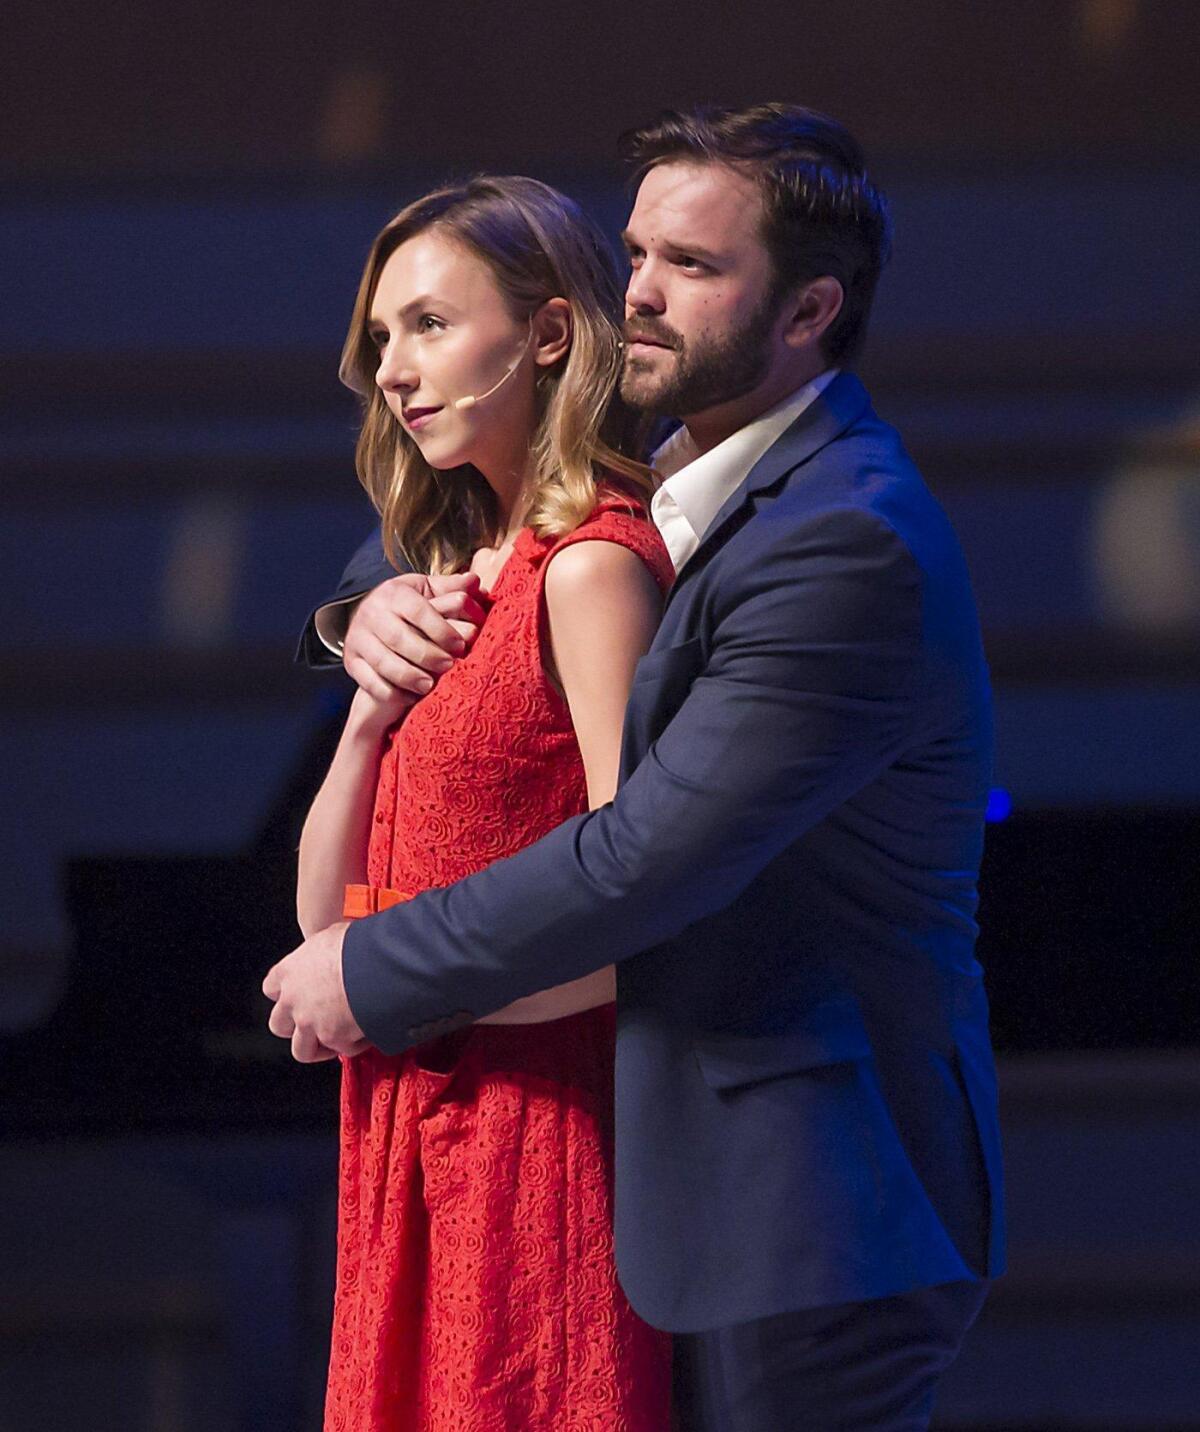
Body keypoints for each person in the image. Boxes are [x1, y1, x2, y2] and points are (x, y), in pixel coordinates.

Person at [268, 103, 1005, 1431]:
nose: (641, 294)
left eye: (694, 267)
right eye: (637, 253)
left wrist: (373, 972)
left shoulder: (849, 541)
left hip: (803, 1203)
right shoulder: (682, 484)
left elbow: (647, 855)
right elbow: (460, 548)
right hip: (662, 1166)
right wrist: (350, 622)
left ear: (808, 310)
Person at [295, 174, 673, 1430]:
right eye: (382, 336)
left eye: (431, 325)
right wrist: (363, 717)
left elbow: (648, 910)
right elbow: (328, 918)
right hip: (406, 1121)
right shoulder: (446, 576)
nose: (393, 370)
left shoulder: (593, 566)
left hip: (534, 1127)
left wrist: (407, 985)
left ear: (551, 334)